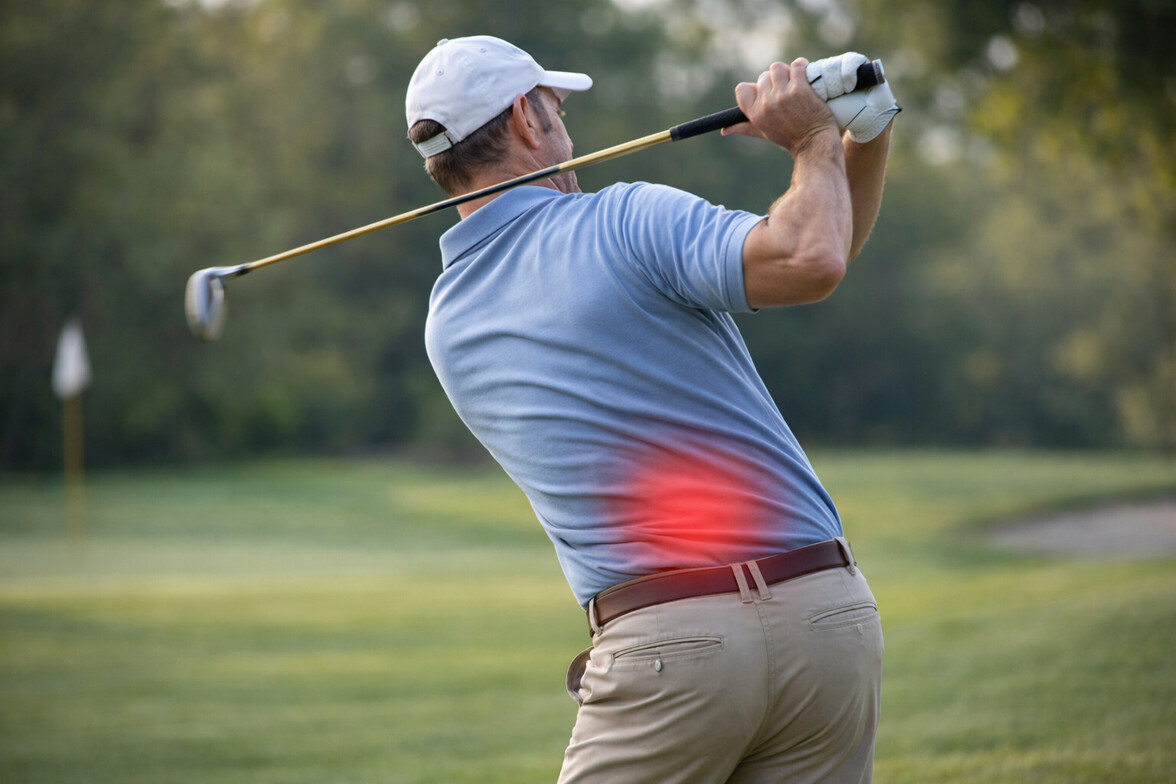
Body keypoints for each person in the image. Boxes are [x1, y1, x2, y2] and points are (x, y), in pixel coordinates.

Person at [406, 35, 896, 784]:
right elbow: (812, 257)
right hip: (826, 619)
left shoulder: (448, 322)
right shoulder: (628, 219)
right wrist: (815, 140)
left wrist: (855, 139)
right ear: (527, 119)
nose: (569, 134)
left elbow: (816, 250)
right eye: (558, 111)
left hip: (668, 646)